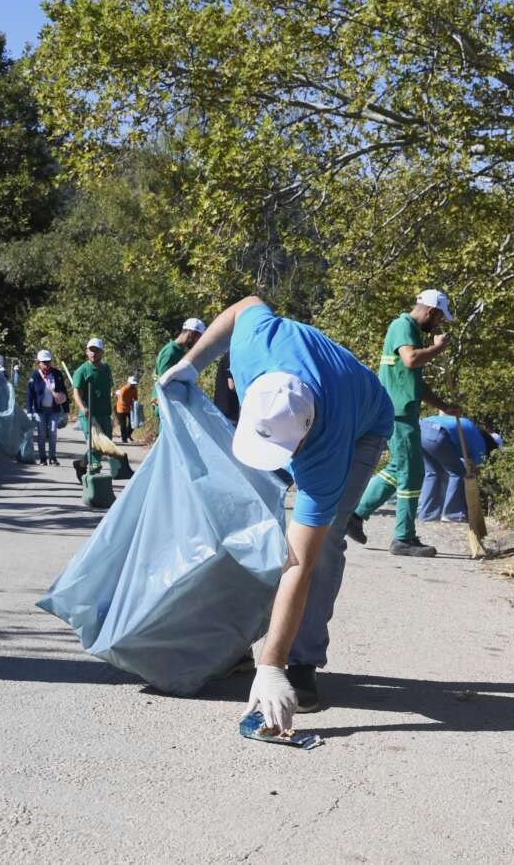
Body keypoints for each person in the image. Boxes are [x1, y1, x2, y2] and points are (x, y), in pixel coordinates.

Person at [158, 296, 393, 732]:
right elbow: (244, 305)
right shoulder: (256, 345)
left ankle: (300, 660)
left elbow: (299, 561)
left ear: (303, 440)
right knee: (241, 517)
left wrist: (274, 664)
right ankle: (232, 640)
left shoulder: (326, 447)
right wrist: (193, 364)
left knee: (320, 547)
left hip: (364, 423)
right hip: (304, 399)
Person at [347, 289, 460, 557]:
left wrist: (443, 405)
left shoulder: (409, 330)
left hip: (401, 411)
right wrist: (438, 347)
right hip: (398, 413)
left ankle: (356, 515)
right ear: (431, 312)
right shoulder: (403, 326)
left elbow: (413, 383)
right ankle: (404, 538)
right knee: (412, 472)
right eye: (439, 319)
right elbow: (410, 360)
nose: (438, 325)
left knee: (398, 467)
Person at [418, 416, 503, 522]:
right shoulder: (481, 444)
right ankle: (452, 514)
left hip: (421, 430)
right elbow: (476, 470)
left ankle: (427, 513)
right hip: (437, 432)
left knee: (433, 473)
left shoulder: (472, 433)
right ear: (492, 446)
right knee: (458, 472)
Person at [71, 338, 114, 473]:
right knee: (94, 442)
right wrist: (83, 408)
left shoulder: (106, 368)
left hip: (104, 414)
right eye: (91, 350)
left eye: (96, 350)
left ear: (102, 352)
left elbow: (108, 388)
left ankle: (82, 465)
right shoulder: (82, 371)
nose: (93, 353)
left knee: (105, 445)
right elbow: (76, 393)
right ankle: (95, 471)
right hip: (88, 414)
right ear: (86, 351)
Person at [153, 318, 205, 427]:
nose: (197, 343)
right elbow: (162, 382)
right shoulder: (171, 352)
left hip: (174, 405)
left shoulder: (179, 351)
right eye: (198, 338)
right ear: (191, 334)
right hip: (167, 405)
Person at [27, 350, 69, 465]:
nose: (46, 364)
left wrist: (66, 410)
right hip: (39, 410)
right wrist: (29, 411)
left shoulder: (57, 374)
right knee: (41, 434)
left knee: (52, 432)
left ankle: (53, 457)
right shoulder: (35, 375)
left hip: (54, 410)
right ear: (38, 363)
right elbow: (30, 394)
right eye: (44, 362)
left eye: (48, 362)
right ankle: (43, 458)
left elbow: (63, 391)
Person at [213, 351, 241, 424]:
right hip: (227, 409)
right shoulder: (230, 357)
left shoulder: (230, 355)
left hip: (227, 410)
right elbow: (232, 386)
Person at [114, 376, 139, 443]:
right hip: (121, 409)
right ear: (128, 383)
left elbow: (136, 398)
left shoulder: (134, 389)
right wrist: (130, 404)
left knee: (133, 423)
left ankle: (127, 435)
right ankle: (124, 439)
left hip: (129, 409)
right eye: (132, 384)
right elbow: (122, 402)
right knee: (123, 425)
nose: (133, 385)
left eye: (134, 384)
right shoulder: (124, 389)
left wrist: (136, 405)